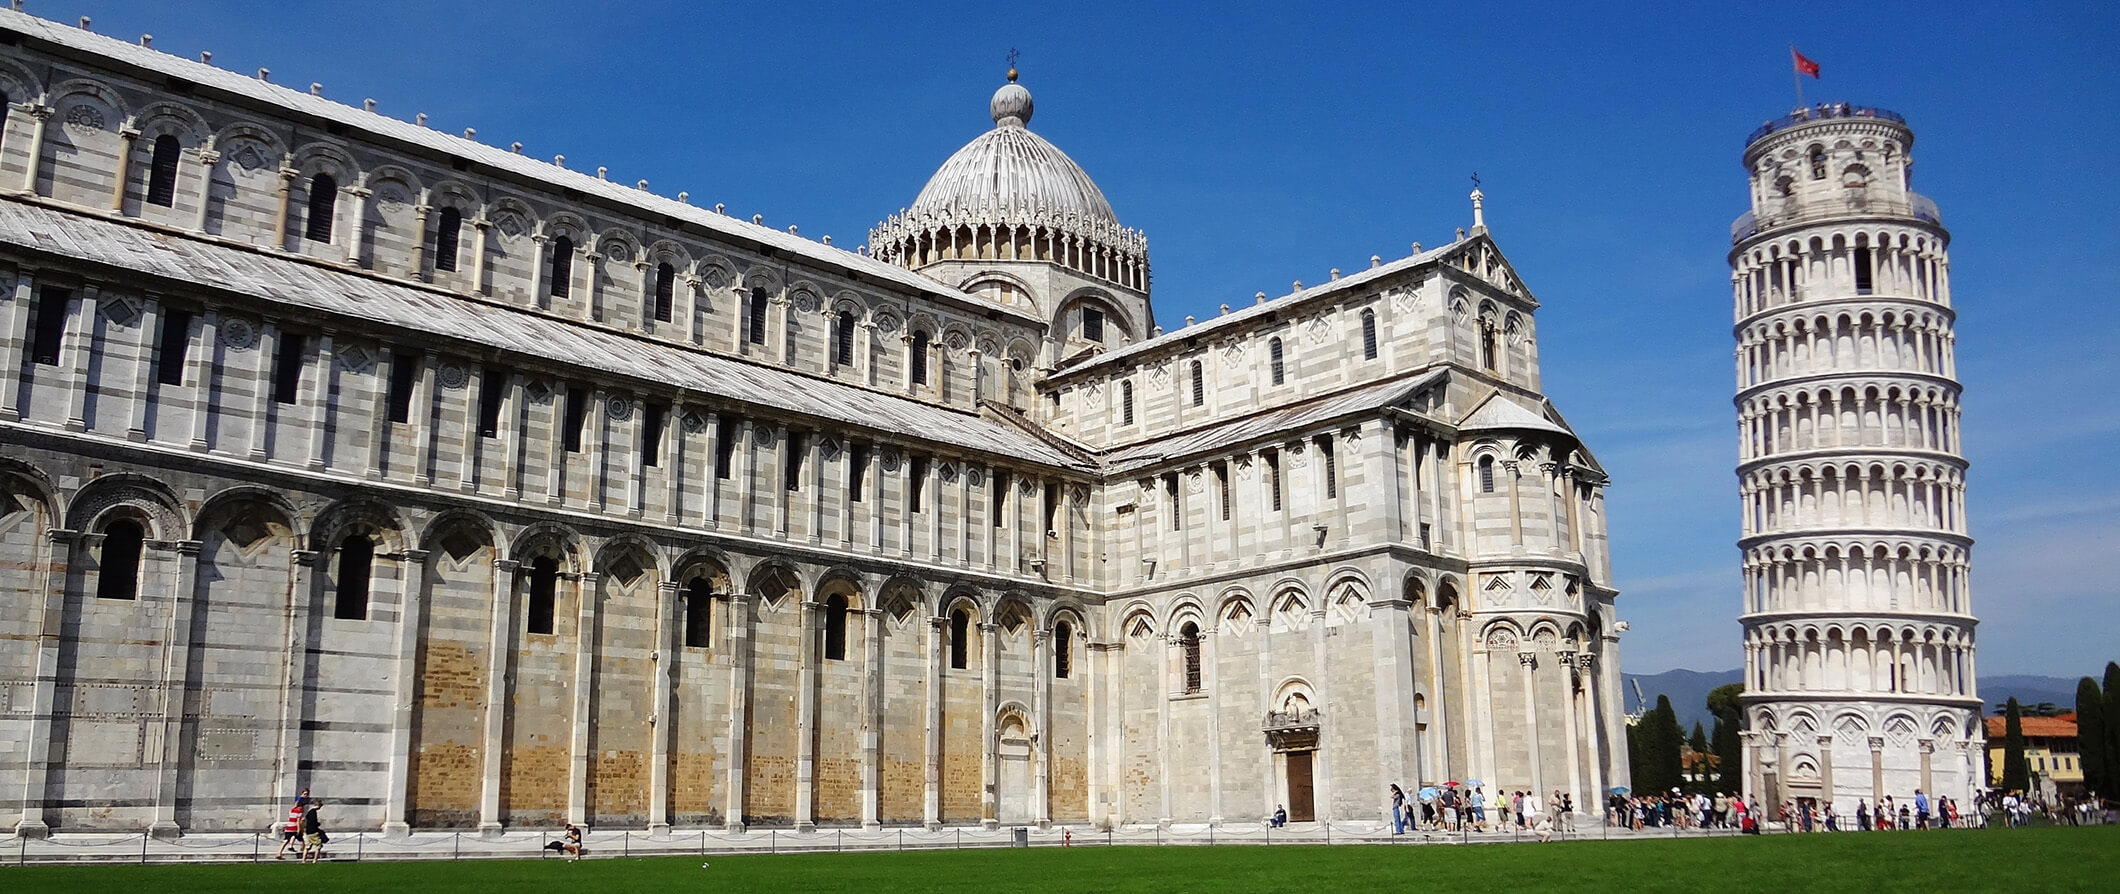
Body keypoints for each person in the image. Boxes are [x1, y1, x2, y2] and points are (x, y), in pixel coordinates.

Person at [275, 789, 309, 860]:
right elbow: (298, 821)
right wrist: (299, 829)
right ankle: (303, 852)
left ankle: (279, 853)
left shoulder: (292, 810)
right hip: (294, 828)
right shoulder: (300, 811)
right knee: (302, 841)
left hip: (289, 827)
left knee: (285, 840)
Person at [300, 799, 326, 863]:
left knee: (307, 847)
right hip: (313, 832)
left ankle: (303, 860)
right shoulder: (313, 812)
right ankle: (315, 860)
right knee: (318, 846)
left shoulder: (309, 811)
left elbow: (305, 820)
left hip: (308, 831)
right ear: (318, 805)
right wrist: (317, 824)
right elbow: (313, 822)